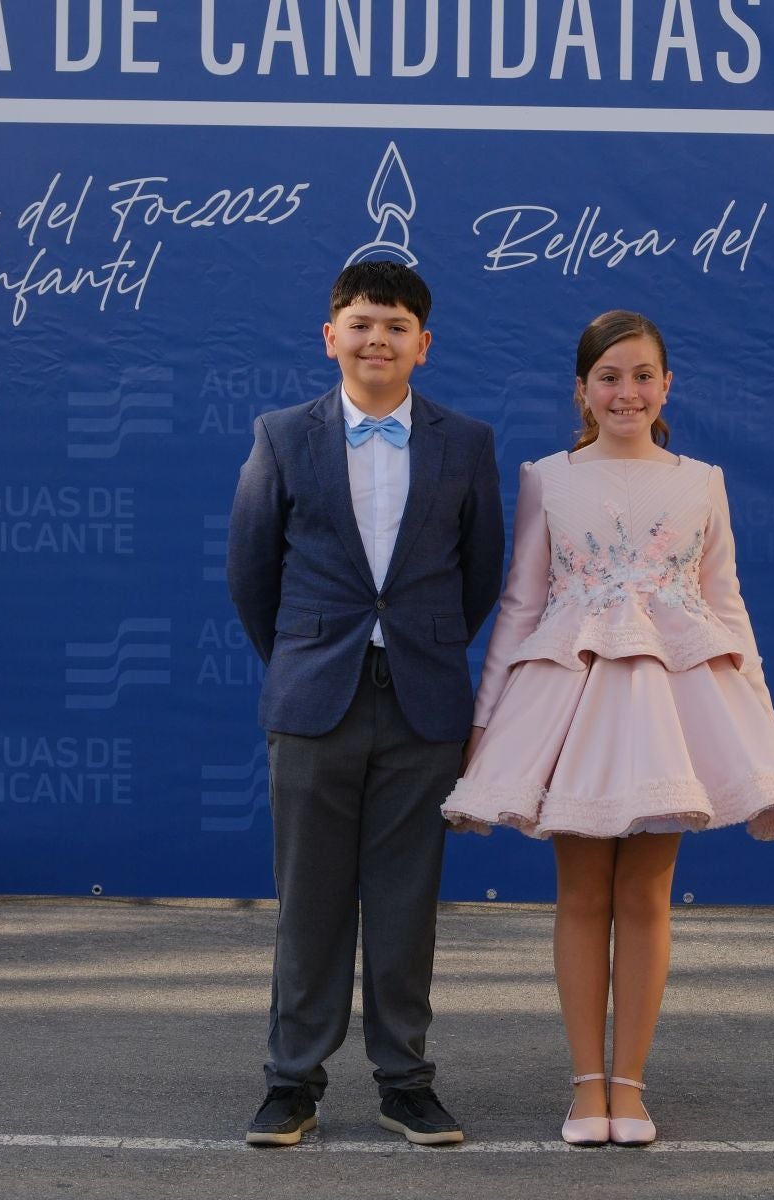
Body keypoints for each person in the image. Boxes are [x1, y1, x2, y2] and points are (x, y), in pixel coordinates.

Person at [441, 309, 774, 1147]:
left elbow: (724, 600)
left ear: (666, 386)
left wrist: (757, 711)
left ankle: (630, 1088)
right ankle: (585, 1088)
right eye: (609, 377)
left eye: (642, 375)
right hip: (575, 702)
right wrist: (487, 715)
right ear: (581, 390)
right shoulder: (548, 476)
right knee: (580, 894)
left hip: (675, 708)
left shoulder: (703, 479)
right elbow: (521, 601)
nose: (626, 391)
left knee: (647, 895)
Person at [227, 261, 505, 1147]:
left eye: (394, 326)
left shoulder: (467, 443)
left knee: (405, 900)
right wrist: (308, 659)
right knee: (308, 898)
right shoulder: (282, 435)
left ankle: (405, 1081)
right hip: (314, 700)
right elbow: (251, 571)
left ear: (423, 346)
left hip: (423, 704)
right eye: (360, 322)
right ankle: (291, 1083)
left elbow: (481, 575)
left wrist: (417, 648)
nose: (376, 338)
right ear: (330, 337)